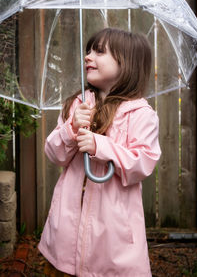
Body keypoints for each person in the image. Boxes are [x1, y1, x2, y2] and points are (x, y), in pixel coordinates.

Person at [38, 27, 161, 277]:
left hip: (112, 237)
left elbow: (142, 163)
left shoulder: (141, 115)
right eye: (88, 50)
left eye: (99, 51)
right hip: (68, 230)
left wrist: (100, 146)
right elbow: (54, 154)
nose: (88, 56)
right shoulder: (79, 104)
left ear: (126, 63)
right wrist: (71, 128)